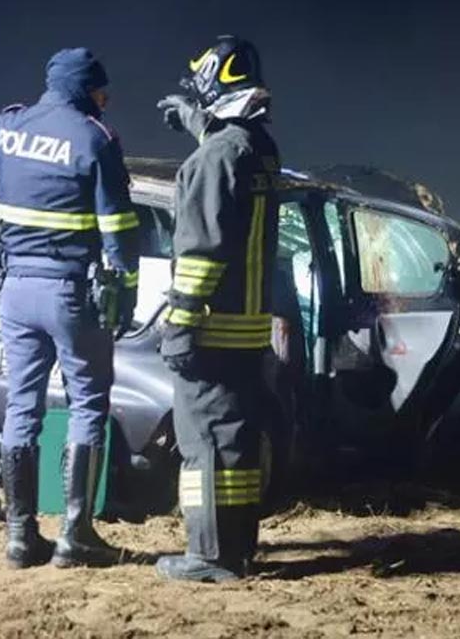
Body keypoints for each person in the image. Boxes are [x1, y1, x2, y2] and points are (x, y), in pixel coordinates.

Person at [0, 48, 141, 569]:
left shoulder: (8, 129)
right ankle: (76, 535)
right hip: (69, 292)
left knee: (21, 410)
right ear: (84, 90)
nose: (107, 100)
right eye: (102, 91)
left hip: (15, 295)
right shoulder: (94, 139)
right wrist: (127, 287)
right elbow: (118, 227)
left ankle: (19, 537)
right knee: (87, 404)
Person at [152, 35, 282, 583]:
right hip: (248, 331)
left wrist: (180, 323)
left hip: (209, 330)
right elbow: (233, 152)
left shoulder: (214, 159)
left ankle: (207, 556)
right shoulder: (260, 150)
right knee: (236, 444)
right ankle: (238, 548)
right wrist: (198, 125)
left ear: (212, 82)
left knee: (201, 444)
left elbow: (201, 251)